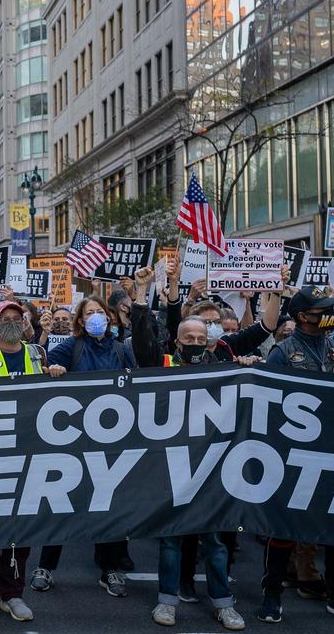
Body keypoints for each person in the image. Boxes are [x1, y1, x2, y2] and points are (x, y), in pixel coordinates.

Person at [127, 267, 247, 631]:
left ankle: (223, 603)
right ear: (176, 342)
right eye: (187, 337)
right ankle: (167, 601)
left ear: (208, 339)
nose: (195, 341)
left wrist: (249, 367)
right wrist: (142, 292)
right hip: (173, 467)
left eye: (200, 336)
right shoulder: (161, 364)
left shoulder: (223, 368)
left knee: (215, 543)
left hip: (211, 470)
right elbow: (142, 338)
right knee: (172, 541)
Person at [258, 286, 334, 627]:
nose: (330, 314)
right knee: (284, 527)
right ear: (302, 316)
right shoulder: (283, 352)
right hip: (295, 454)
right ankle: (272, 595)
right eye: (322, 309)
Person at [0, 300, 65, 622]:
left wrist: (57, 376)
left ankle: (14, 592)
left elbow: (56, 398)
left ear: (24, 323)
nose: (10, 322)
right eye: (3, 318)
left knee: (22, 524)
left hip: (29, 451)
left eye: (16, 318)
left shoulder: (39, 354)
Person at [42, 296, 138, 597]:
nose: (96, 317)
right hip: (74, 437)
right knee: (61, 502)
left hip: (111, 439)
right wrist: (53, 370)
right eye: (89, 313)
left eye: (100, 312)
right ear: (81, 322)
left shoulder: (122, 351)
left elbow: (136, 385)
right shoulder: (73, 347)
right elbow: (45, 363)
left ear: (108, 318)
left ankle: (109, 570)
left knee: (106, 506)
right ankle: (45, 566)